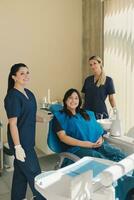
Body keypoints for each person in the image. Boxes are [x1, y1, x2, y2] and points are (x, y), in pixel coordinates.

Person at [4, 63, 51, 200]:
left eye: (27, 72)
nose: (26, 76)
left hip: (29, 141)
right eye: (22, 73)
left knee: (20, 175)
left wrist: (44, 120)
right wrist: (17, 147)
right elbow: (13, 123)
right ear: (14, 77)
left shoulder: (29, 93)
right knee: (36, 175)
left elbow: (28, 116)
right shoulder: (12, 96)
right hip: (21, 143)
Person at [52, 88, 126, 162]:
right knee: (100, 159)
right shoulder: (59, 116)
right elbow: (63, 137)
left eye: (76, 98)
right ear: (65, 100)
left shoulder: (86, 113)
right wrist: (86, 144)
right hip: (77, 148)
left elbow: (96, 129)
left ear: (79, 101)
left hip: (96, 144)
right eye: (70, 98)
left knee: (118, 154)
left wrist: (100, 139)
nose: (73, 100)